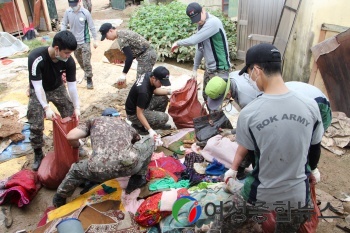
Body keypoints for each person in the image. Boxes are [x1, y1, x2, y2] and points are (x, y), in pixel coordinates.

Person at [223, 43, 324, 231]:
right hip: (298, 199)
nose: (251, 78)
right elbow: (314, 151)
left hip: (260, 195)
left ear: (257, 70)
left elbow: (250, 156)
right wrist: (312, 171)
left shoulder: (250, 113)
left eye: (249, 73)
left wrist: (233, 170)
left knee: (225, 224)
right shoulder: (310, 105)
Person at [206, 74, 331, 181]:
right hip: (296, 92)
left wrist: (236, 167)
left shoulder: (248, 100)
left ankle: (305, 178)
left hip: (318, 103)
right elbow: (249, 129)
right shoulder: (233, 79)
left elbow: (251, 134)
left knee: (305, 144)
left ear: (227, 92)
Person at [52, 108, 155, 207]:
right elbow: (137, 143)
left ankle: (60, 197)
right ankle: (138, 178)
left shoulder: (94, 121)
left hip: (97, 169)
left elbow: (70, 136)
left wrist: (77, 146)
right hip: (130, 166)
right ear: (117, 116)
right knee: (148, 141)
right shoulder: (126, 125)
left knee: (75, 170)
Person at [27, 30, 80, 171]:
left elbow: (72, 86)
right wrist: (46, 108)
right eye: (67, 53)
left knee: (71, 115)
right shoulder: (36, 57)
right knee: (36, 124)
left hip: (57, 88)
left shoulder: (69, 61)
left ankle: (74, 144)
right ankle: (38, 153)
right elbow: (38, 88)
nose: (69, 56)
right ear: (57, 49)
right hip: (38, 90)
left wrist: (77, 107)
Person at [171, 2, 231, 102]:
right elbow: (200, 48)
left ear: (203, 10)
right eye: (195, 20)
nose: (197, 21)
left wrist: (178, 43)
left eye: (199, 17)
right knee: (206, 96)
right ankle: (211, 117)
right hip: (210, 68)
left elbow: (193, 40)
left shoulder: (213, 22)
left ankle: (216, 117)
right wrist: (195, 69)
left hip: (220, 69)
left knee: (215, 100)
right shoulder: (201, 25)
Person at [99, 23, 157, 88]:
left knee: (141, 82)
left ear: (110, 31)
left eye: (106, 36)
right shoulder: (122, 33)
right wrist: (123, 61)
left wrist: (123, 74)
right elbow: (132, 53)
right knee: (144, 80)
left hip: (146, 56)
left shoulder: (121, 38)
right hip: (147, 54)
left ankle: (148, 96)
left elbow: (129, 57)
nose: (106, 38)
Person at [61, 0, 98, 89]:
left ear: (79, 1)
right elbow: (64, 24)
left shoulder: (85, 13)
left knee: (86, 61)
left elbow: (91, 26)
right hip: (74, 42)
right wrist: (63, 35)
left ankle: (89, 79)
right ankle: (86, 72)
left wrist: (95, 39)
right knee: (79, 60)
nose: (73, 6)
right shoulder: (68, 12)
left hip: (85, 40)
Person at [125, 66, 172, 137]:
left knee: (163, 98)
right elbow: (139, 113)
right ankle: (139, 126)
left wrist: (170, 92)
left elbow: (155, 91)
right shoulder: (143, 92)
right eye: (161, 82)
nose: (161, 85)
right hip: (134, 114)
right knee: (164, 117)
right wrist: (150, 130)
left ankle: (155, 122)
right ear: (153, 78)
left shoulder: (149, 76)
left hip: (140, 104)